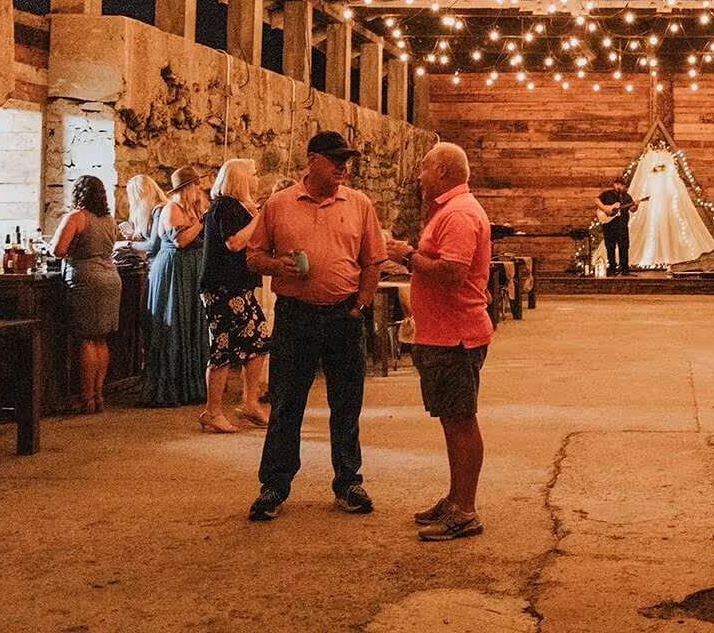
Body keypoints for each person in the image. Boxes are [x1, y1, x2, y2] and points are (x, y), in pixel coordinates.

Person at [246, 131, 385, 522]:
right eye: (335, 159)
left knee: (347, 402)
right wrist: (276, 266)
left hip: (343, 315)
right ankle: (274, 484)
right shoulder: (278, 204)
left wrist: (360, 305)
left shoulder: (358, 204)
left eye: (347, 160)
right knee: (287, 402)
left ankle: (348, 481)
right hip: (296, 315)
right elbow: (254, 257)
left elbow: (373, 260)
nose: (343, 167)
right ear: (312, 160)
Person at [386, 142, 493, 541]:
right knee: (451, 418)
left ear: (445, 172)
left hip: (456, 336)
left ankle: (465, 511)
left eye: (425, 168)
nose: (419, 175)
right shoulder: (450, 210)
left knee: (461, 420)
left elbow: (452, 271)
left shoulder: (461, 214)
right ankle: (455, 497)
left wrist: (407, 256)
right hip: (443, 333)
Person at [198, 158, 270, 434]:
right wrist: (259, 218)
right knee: (222, 347)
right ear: (240, 179)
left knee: (259, 339)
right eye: (252, 174)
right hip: (222, 288)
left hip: (239, 287)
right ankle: (212, 411)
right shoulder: (224, 205)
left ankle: (250, 401)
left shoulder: (238, 207)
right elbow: (235, 242)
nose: (256, 178)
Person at [50, 175, 122, 414]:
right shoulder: (109, 220)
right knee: (101, 339)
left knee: (87, 338)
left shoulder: (76, 217)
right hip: (111, 278)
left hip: (86, 279)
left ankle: (86, 397)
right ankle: (99, 395)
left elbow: (58, 250)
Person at [143, 166, 210, 408]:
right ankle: (170, 387)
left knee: (191, 324)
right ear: (187, 189)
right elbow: (180, 241)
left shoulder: (193, 210)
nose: (200, 190)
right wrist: (202, 222)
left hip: (192, 273)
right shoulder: (171, 209)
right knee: (175, 325)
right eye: (196, 185)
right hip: (174, 272)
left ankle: (193, 386)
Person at [596, 176, 639, 276]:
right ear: (614, 184)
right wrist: (605, 209)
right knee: (610, 247)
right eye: (617, 184)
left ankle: (624, 269)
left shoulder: (627, 197)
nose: (619, 186)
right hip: (609, 225)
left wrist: (636, 204)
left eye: (621, 185)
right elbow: (597, 201)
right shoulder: (607, 194)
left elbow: (632, 209)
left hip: (622, 225)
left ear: (624, 186)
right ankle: (612, 269)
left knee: (624, 246)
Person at [118, 174, 165, 248]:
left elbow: (153, 245)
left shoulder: (159, 209)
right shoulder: (147, 211)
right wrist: (133, 236)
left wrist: (130, 245)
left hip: (156, 258)